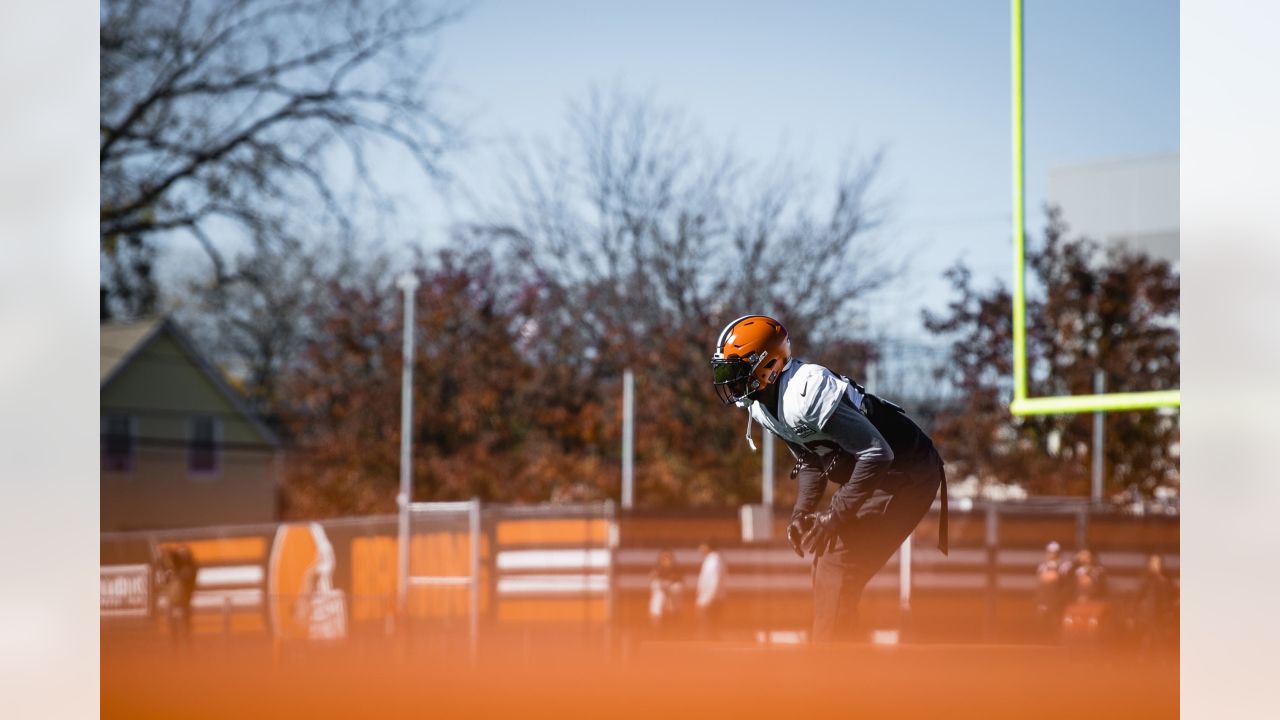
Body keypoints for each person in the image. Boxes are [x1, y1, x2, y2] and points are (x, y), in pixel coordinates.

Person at [710, 315, 947, 642]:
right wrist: (802, 513)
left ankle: (830, 666)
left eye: (736, 371)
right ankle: (847, 665)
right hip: (883, 474)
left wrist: (835, 515)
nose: (730, 381)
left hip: (909, 472)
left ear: (768, 365)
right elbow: (811, 460)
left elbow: (877, 454)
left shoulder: (805, 391)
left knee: (837, 560)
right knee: (828, 563)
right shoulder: (762, 407)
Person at [1132, 553, 1176, 652]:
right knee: (1149, 639)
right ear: (1150, 564)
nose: (1157, 565)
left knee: (1159, 640)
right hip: (1148, 614)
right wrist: (1133, 614)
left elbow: (1173, 593)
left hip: (1163, 614)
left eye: (1159, 562)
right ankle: (1143, 659)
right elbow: (1137, 597)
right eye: (1154, 562)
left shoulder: (1166, 578)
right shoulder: (1145, 578)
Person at [1033, 541, 1067, 641]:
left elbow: (1065, 587)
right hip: (1044, 602)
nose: (1051, 554)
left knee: (1057, 627)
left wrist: (1058, 602)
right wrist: (1039, 601)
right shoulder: (1042, 567)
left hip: (1057, 603)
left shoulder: (1064, 567)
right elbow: (1040, 587)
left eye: (1054, 552)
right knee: (1041, 628)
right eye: (1049, 552)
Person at [694, 540, 727, 640]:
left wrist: (709, 597)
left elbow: (714, 580)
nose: (700, 548)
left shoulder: (714, 561)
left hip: (711, 599)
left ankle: (711, 647)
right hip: (709, 597)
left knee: (709, 626)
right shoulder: (710, 560)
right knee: (709, 627)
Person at [648, 549, 685, 635]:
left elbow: (679, 588)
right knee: (658, 633)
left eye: (668, 558)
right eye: (664, 559)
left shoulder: (677, 573)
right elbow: (655, 586)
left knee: (673, 633)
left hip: (673, 610)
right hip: (658, 611)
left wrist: (669, 586)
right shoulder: (656, 572)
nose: (666, 561)